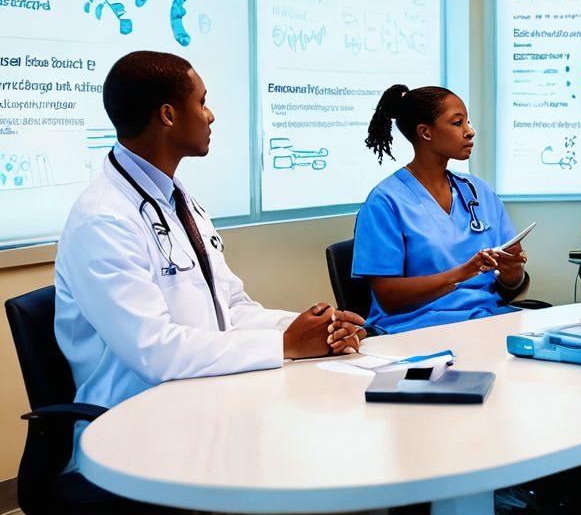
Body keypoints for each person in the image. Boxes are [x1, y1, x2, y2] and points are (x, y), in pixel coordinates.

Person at [55, 52, 365, 472]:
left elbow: (232, 308)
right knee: (296, 457)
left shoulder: (178, 201)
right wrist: (286, 344)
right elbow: (155, 352)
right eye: (202, 102)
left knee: (324, 436)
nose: (211, 115)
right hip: (134, 427)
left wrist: (311, 329)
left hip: (203, 400)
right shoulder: (103, 219)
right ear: (168, 115)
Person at [353, 84, 529, 333]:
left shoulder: (480, 192)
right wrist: (461, 273)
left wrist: (513, 274)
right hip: (418, 329)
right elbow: (388, 297)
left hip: (487, 321)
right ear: (425, 132)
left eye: (468, 122)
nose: (470, 132)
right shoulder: (385, 202)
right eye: (458, 123)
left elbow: (511, 289)